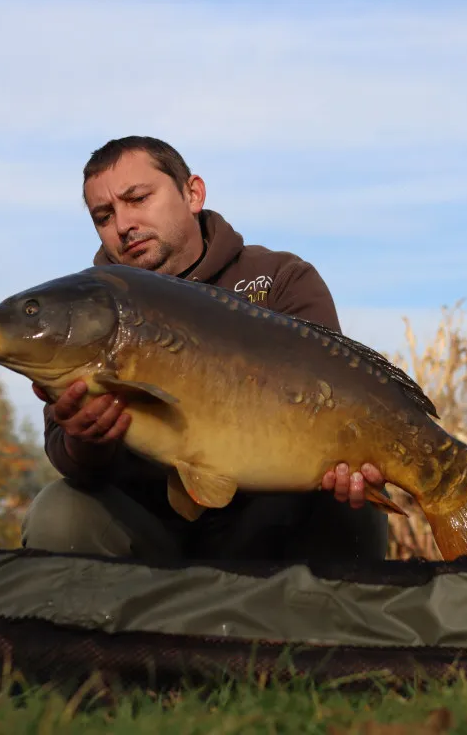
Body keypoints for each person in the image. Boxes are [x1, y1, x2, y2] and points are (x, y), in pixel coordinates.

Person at [21, 136, 390, 562]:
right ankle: (108, 629)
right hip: (148, 532)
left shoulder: (279, 278)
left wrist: (355, 461)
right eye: (104, 216)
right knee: (59, 511)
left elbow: (342, 392)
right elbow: (69, 458)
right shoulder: (85, 308)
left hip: (269, 523)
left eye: (137, 198)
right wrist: (85, 439)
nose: (123, 225)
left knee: (351, 504)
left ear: (192, 193)